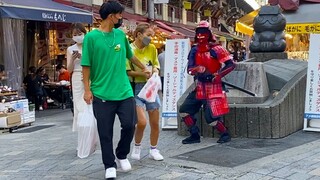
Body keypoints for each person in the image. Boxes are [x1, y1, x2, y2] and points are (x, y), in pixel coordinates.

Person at [81, 1, 150, 179]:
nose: (121, 18)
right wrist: (87, 90)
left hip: (124, 91)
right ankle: (109, 165)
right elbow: (86, 66)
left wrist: (144, 67)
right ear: (111, 16)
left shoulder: (120, 35)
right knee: (105, 132)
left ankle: (121, 154)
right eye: (119, 15)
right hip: (101, 92)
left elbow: (130, 55)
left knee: (129, 125)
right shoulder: (91, 38)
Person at [179, 20, 235, 144]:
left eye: (203, 33)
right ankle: (194, 135)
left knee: (211, 118)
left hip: (214, 86)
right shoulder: (194, 50)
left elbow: (231, 65)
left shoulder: (217, 49)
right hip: (200, 86)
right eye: (198, 33)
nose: (200, 36)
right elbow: (189, 70)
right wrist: (196, 69)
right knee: (184, 110)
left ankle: (225, 133)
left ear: (209, 34)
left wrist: (218, 75)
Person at [126, 23, 163, 161]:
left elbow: (156, 64)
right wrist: (142, 73)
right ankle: (137, 146)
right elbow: (127, 71)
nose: (151, 39)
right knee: (141, 122)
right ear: (139, 34)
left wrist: (155, 71)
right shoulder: (129, 49)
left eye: (152, 36)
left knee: (155, 122)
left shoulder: (152, 48)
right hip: (137, 87)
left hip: (151, 87)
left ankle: (154, 149)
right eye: (148, 35)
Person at [66, 23, 87, 132]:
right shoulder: (70, 49)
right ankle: (80, 126)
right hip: (76, 76)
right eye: (75, 34)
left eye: (80, 33)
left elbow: (94, 63)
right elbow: (69, 70)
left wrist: (82, 57)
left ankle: (91, 126)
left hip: (89, 75)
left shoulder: (89, 46)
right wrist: (73, 59)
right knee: (78, 102)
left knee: (89, 102)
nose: (78, 36)